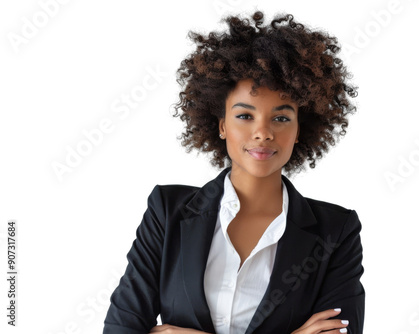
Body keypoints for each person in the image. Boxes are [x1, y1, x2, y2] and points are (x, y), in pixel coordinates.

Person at [103, 10, 365, 334]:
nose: (263, 132)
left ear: (300, 129)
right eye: (245, 116)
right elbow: (121, 328)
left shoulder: (336, 232)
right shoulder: (167, 211)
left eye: (281, 118)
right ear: (222, 125)